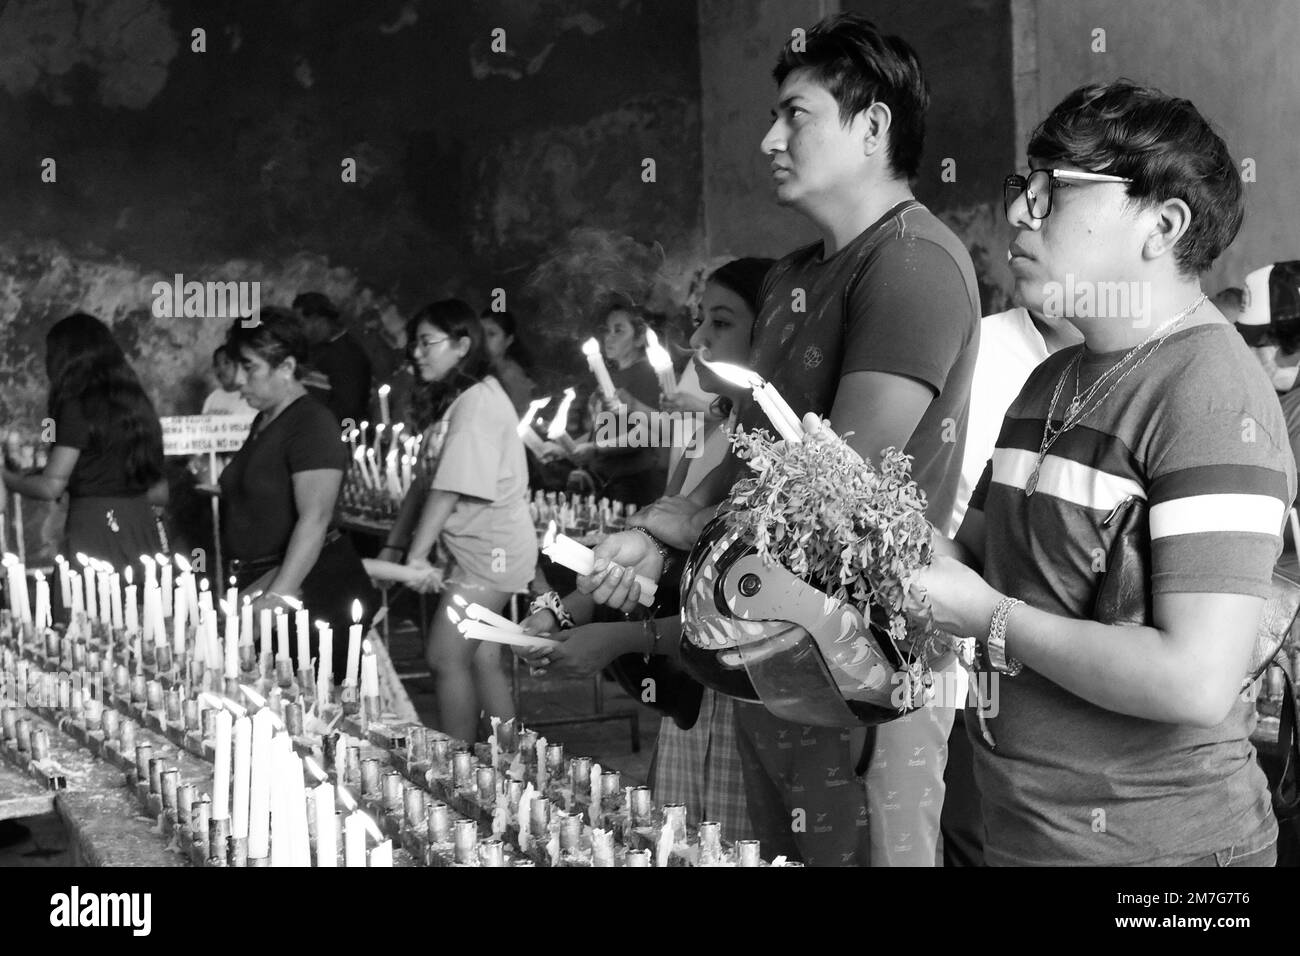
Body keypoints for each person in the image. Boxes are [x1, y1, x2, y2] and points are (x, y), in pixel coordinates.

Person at [575, 15, 981, 867]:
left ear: (872, 128)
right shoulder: (798, 274)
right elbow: (749, 448)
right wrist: (663, 528)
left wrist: (680, 529)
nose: (770, 138)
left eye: (796, 114)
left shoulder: (910, 263)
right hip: (766, 641)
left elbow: (840, 474)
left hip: (870, 657)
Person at [919, 80, 1295, 866]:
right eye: (1026, 185)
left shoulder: (1207, 391)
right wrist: (882, 543)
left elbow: (1193, 678)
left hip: (1163, 858)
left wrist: (988, 616)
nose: (1022, 211)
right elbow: (978, 563)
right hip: (1023, 835)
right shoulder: (1046, 383)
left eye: (1056, 190)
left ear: (1163, 224)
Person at [517, 258, 773, 842]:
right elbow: (654, 558)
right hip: (691, 698)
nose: (698, 339)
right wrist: (560, 614)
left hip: (741, 693)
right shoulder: (707, 434)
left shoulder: (769, 451)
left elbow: (742, 612)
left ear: (773, 336)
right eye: (699, 319)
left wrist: (619, 639)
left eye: (722, 322)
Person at [376, 300, 537, 742]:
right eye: (414, 344)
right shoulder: (459, 400)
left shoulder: (478, 402)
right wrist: (396, 546)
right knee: (481, 657)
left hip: (492, 555)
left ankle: (457, 766)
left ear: (463, 344)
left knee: (446, 657)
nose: (416, 353)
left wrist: (415, 557)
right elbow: (425, 484)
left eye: (427, 342)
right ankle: (511, 763)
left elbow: (449, 488)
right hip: (472, 549)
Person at [219, 308, 378, 677]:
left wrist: (277, 598)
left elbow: (315, 518)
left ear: (287, 366)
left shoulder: (311, 425)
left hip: (310, 590)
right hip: (267, 583)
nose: (239, 379)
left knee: (310, 713)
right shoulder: (266, 420)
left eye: (250, 367)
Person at [3, 313, 167, 568]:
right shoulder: (137, 403)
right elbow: (159, 491)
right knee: (143, 603)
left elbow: (50, 486)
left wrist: (7, 477)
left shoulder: (77, 403)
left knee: (88, 603)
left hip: (96, 527)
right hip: (141, 523)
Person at [574, 302, 667, 507]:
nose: (609, 337)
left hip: (633, 485)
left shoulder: (646, 375)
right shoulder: (613, 378)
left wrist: (596, 448)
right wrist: (569, 447)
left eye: (619, 330)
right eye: (607, 330)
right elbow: (606, 429)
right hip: (607, 482)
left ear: (640, 337)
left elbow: (646, 435)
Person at [294, 291, 373, 427]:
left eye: (301, 324)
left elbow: (347, 410)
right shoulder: (314, 348)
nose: (298, 331)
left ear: (318, 320)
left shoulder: (348, 356)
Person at [480, 310, 537, 415]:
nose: (483, 339)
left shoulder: (511, 376)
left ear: (508, 340)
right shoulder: (478, 366)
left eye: (491, 334)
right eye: (480, 332)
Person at [202, 345, 256, 416]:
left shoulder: (249, 399)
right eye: (216, 364)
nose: (221, 369)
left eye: (227, 363)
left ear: (239, 365)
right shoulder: (212, 398)